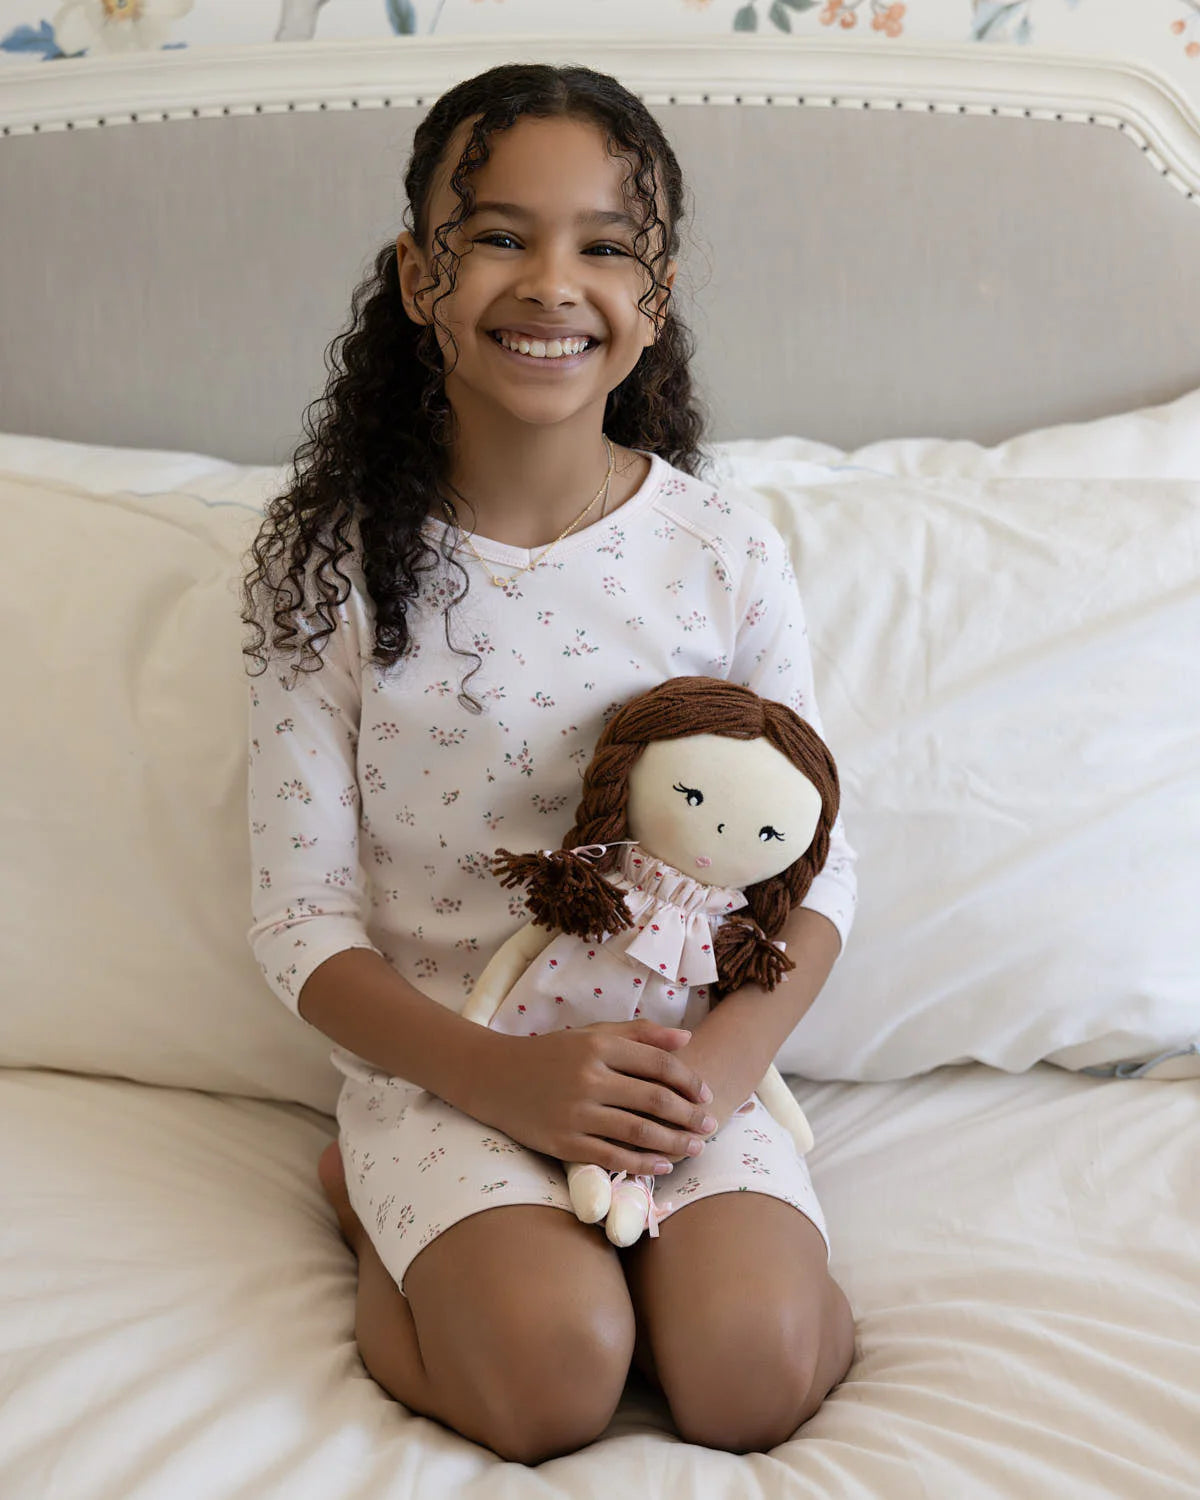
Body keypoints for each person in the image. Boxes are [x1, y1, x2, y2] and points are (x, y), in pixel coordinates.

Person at [242, 61, 857, 1464]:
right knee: (551, 1379)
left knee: (751, 1376)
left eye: (605, 245)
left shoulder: (723, 552)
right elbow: (298, 919)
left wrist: (721, 1063)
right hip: (451, 1066)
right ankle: (371, 1198)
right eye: (501, 235)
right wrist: (502, 1082)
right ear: (419, 277)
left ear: (656, 294)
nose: (552, 284)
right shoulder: (329, 567)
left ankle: (682, 1262)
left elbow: (820, 869)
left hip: (681, 1067)